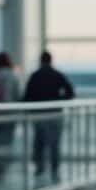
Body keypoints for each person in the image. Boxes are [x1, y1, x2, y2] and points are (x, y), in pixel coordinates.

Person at [23, 51, 75, 179]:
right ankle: (54, 167)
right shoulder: (57, 75)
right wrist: (59, 100)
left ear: (40, 61)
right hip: (55, 113)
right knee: (54, 143)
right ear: (51, 60)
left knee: (39, 141)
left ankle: (40, 167)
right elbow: (70, 93)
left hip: (39, 114)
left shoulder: (35, 76)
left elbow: (27, 96)